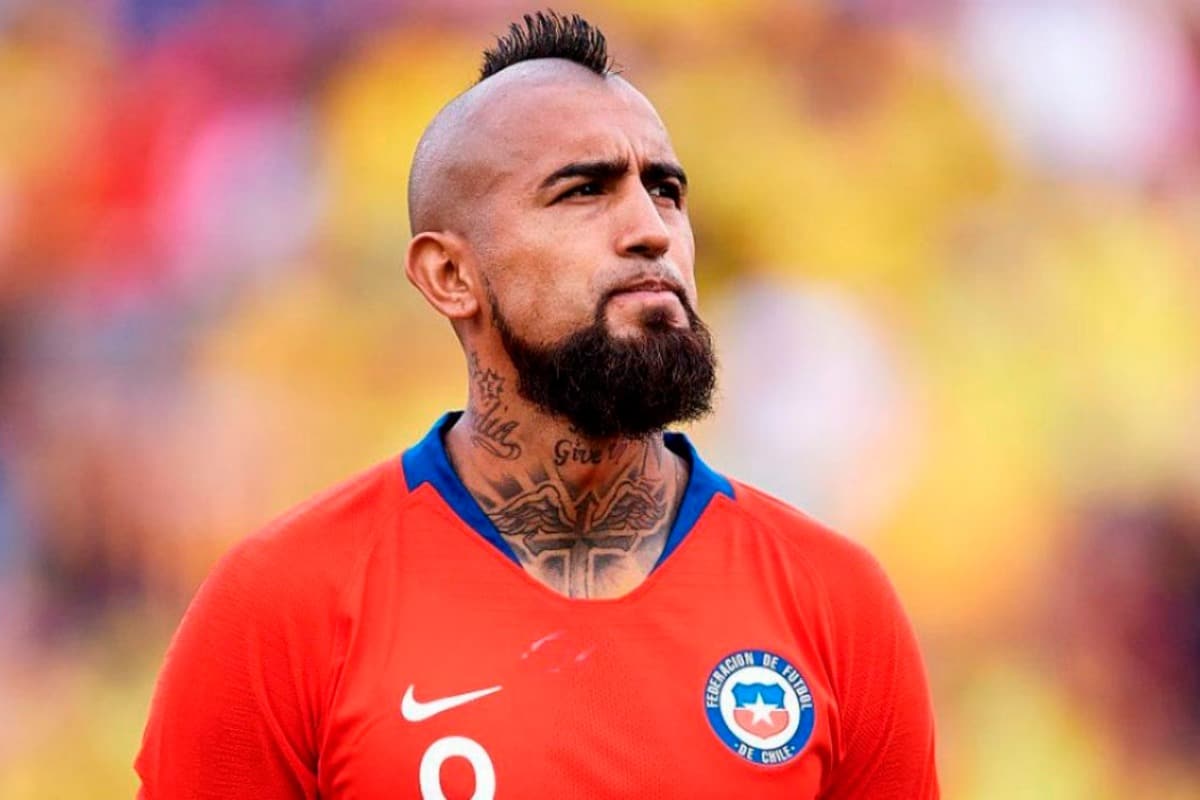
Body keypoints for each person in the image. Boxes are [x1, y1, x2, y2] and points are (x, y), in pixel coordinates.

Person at [135, 11, 939, 799]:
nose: (651, 230)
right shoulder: (285, 608)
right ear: (451, 276)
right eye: (583, 191)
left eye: (665, 191)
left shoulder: (834, 603)